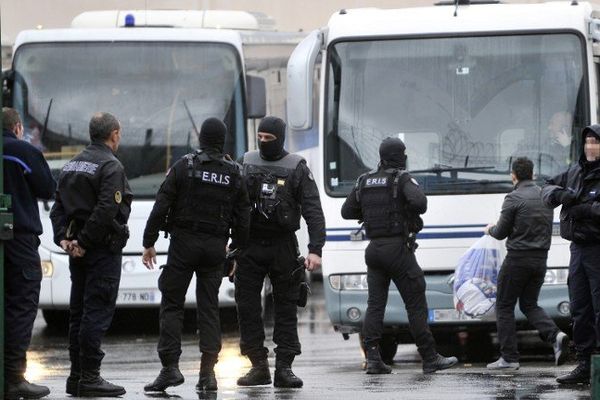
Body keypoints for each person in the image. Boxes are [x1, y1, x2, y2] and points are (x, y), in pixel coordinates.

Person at [141, 118, 250, 393]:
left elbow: (160, 205)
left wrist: (148, 242)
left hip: (184, 245)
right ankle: (207, 374)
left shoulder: (185, 166)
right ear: (222, 140)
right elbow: (243, 218)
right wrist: (236, 250)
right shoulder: (235, 173)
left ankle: (169, 369)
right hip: (215, 247)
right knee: (209, 308)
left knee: (172, 303)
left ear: (201, 139)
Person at [341, 137, 458, 374]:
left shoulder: (364, 180)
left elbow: (347, 211)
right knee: (415, 304)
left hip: (373, 250)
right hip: (397, 249)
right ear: (399, 157)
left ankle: (373, 359)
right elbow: (420, 203)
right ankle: (429, 357)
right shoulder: (401, 178)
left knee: (375, 305)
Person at [235, 116, 326, 388]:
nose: (263, 143)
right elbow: (232, 204)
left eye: (269, 139)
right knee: (247, 307)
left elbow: (312, 209)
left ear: (280, 138)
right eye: (260, 138)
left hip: (283, 245)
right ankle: (258, 366)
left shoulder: (296, 166)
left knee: (286, 307)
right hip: (249, 245)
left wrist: (315, 249)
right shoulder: (246, 162)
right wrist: (231, 245)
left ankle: (284, 368)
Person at [50, 112, 132, 397]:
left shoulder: (73, 164)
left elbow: (57, 207)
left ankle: (76, 376)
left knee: (79, 313)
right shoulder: (111, 166)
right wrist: (84, 241)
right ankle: (91, 377)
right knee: (96, 313)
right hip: (100, 250)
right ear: (115, 134)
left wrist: (64, 239)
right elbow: (107, 210)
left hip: (78, 250)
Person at [484, 157, 570, 370]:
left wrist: (490, 229)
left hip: (517, 260)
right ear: (532, 174)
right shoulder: (544, 195)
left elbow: (501, 233)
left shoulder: (513, 198)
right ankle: (555, 335)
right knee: (529, 304)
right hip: (540, 260)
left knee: (504, 306)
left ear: (513, 175)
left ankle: (509, 358)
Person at [3, 107, 54, 399]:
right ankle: (14, 378)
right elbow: (47, 188)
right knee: (22, 306)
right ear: (18, 128)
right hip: (19, 239)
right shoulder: (22, 151)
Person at [542, 124, 600, 385]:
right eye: (588, 141)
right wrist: (561, 194)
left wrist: (585, 210)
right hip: (577, 250)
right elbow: (546, 188)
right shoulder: (575, 172)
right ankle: (585, 365)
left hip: (598, 249)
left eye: (596, 142)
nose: (591, 147)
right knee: (580, 308)